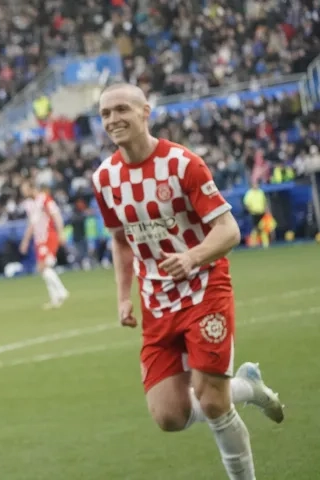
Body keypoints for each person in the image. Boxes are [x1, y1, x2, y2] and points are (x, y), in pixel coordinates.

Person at [91, 83, 285, 480]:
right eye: (105, 114)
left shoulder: (183, 164)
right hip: (156, 300)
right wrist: (123, 298)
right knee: (169, 416)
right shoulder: (104, 178)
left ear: (146, 111)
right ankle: (247, 386)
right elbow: (119, 240)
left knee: (213, 403)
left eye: (121, 109)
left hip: (203, 289)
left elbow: (228, 229)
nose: (113, 119)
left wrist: (193, 257)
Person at [18, 182, 69, 308]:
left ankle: (61, 291)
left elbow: (56, 215)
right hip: (39, 239)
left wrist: (61, 233)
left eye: (24, 190)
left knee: (43, 267)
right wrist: (25, 241)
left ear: (32, 188)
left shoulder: (44, 199)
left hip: (48, 237)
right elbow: (32, 224)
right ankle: (55, 298)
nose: (23, 193)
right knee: (43, 269)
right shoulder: (32, 204)